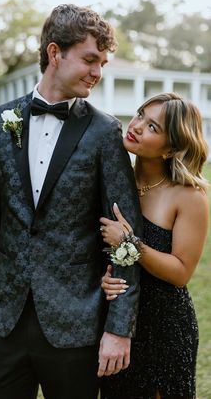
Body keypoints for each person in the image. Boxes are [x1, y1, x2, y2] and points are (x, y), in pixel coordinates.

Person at [0, 4, 143, 399]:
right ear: (55, 53)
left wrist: (119, 328)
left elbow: (125, 238)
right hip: (7, 318)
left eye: (102, 62)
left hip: (77, 322)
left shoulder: (105, 132)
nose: (98, 72)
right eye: (89, 59)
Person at [99, 92, 209, 399]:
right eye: (139, 115)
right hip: (118, 324)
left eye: (152, 127)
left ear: (171, 147)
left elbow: (181, 272)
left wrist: (130, 243)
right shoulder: (114, 181)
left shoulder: (190, 197)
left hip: (165, 328)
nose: (135, 126)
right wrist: (103, 278)